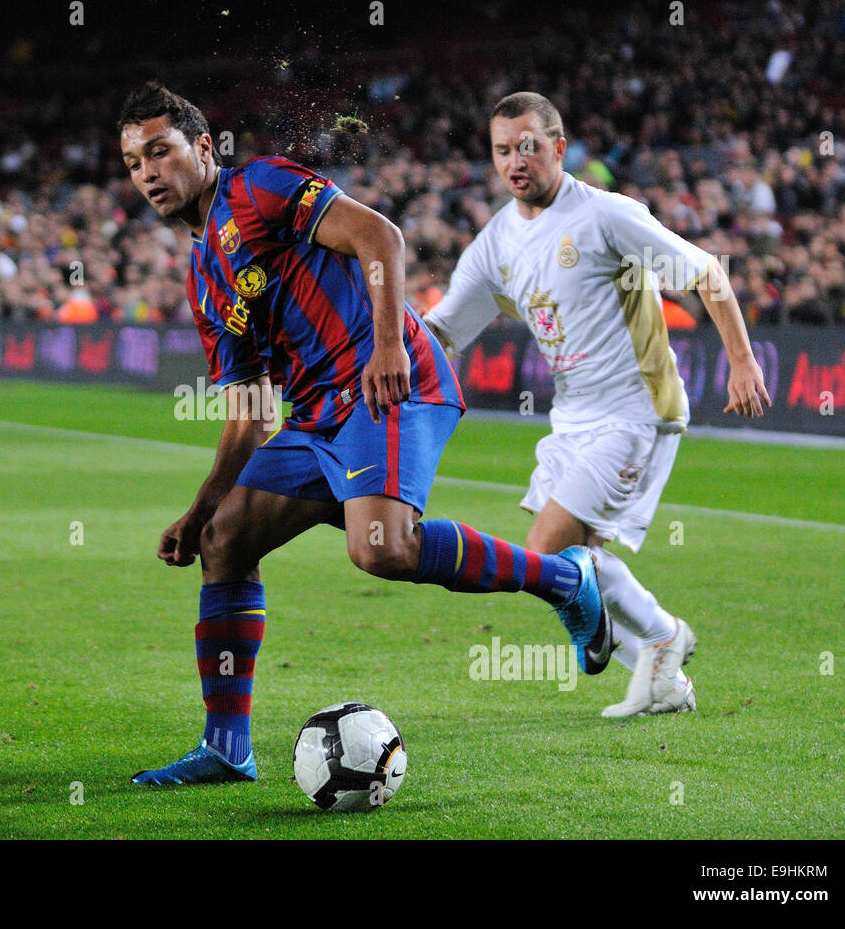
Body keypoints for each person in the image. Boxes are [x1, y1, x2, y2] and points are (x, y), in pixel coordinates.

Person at [118, 82, 613, 787]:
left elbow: (380, 235)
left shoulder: (260, 186)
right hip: (318, 415)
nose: (148, 173)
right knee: (223, 541)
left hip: (388, 384)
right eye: (135, 162)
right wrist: (199, 511)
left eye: (160, 152)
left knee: (381, 549)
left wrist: (388, 346)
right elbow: (250, 411)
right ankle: (227, 748)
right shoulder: (205, 278)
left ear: (202, 148)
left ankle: (567, 579)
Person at [423, 92, 772, 718]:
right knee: (563, 560)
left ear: (560, 148)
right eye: (503, 150)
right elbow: (441, 330)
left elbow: (706, 276)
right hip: (572, 420)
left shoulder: (607, 215)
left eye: (528, 146)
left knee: (550, 545)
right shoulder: (497, 242)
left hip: (636, 410)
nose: (515, 161)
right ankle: (662, 678)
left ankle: (663, 635)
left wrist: (743, 361)